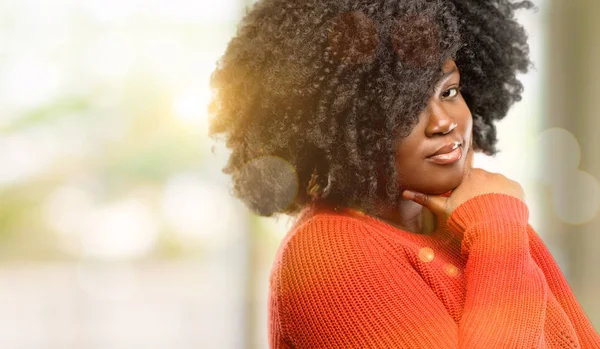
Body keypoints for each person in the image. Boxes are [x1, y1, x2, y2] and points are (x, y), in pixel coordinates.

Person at [208, 0, 600, 347]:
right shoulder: (327, 253)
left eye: (448, 92)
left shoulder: (478, 211)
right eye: (404, 109)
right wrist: (498, 229)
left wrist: (496, 224)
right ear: (342, 127)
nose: (444, 123)